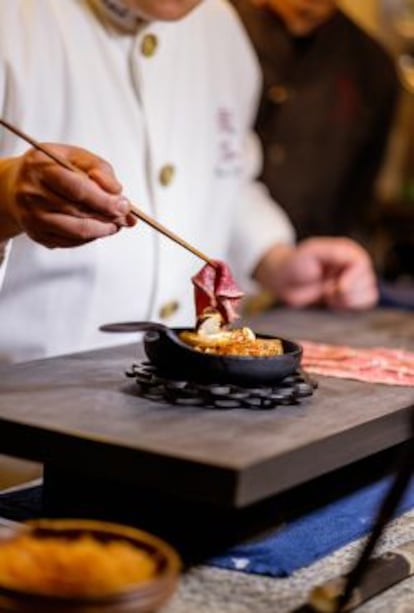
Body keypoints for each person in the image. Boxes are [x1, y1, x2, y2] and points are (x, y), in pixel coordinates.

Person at [0, 0, 378, 365]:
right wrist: (5, 196)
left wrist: (275, 259)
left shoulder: (221, 26)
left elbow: (227, 175)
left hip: (176, 392)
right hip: (22, 391)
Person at [231, 0, 399, 243]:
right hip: (205, 247)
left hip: (305, 257)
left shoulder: (373, 68)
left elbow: (360, 195)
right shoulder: (225, 25)